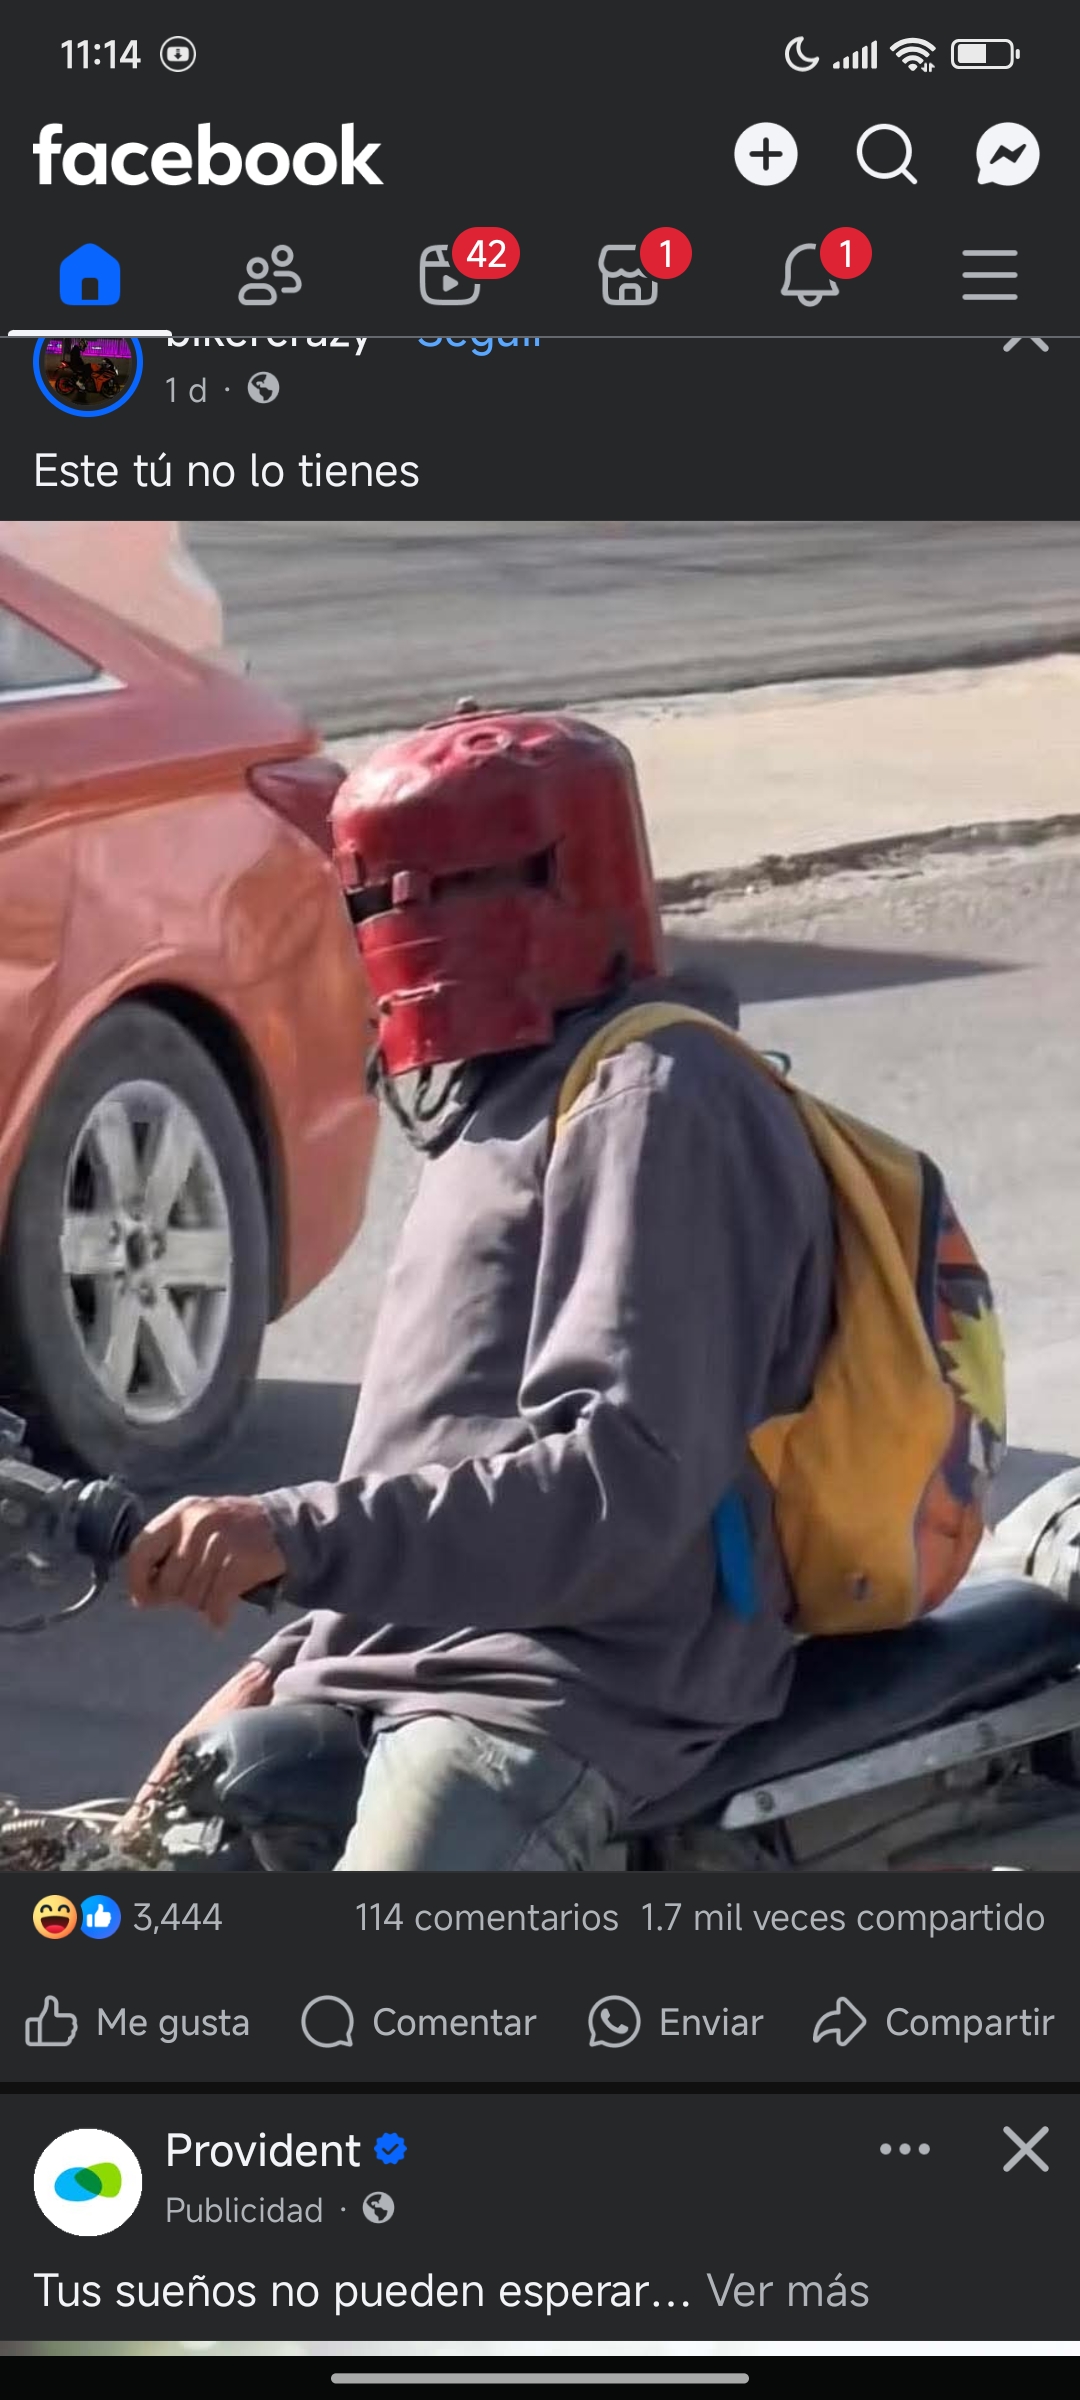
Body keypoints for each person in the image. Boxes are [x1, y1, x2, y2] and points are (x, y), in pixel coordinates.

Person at [124, 706, 835, 1871]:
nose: (388, 934)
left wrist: (285, 1530)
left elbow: (621, 1487)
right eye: (369, 902)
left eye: (417, 895)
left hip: (556, 1685)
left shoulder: (654, 1096)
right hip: (395, 1661)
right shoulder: (495, 1107)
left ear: (551, 882)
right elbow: (434, 1458)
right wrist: (278, 1659)